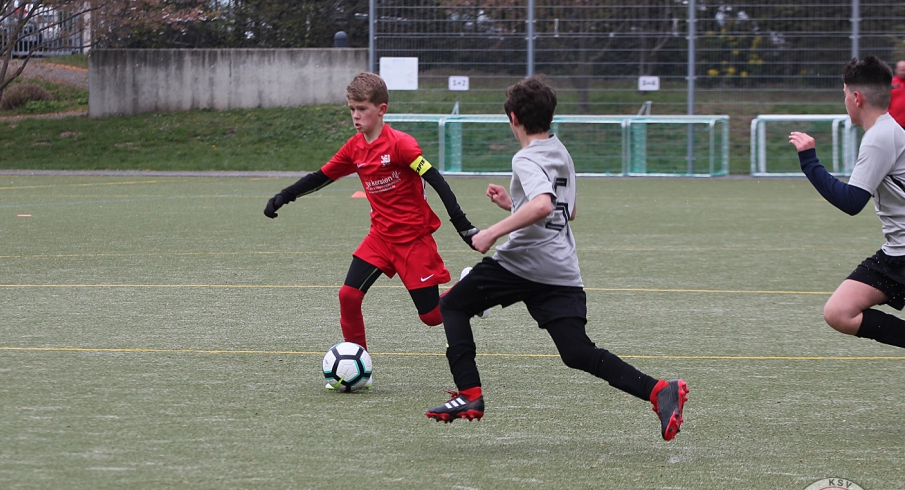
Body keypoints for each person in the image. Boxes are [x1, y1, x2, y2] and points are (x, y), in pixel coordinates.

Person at [425, 76, 689, 441]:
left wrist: (491, 232)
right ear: (549, 116)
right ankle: (659, 390)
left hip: (522, 263)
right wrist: (513, 203)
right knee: (577, 352)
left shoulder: (525, 158)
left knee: (452, 305)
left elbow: (543, 205)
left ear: (513, 118)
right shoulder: (561, 151)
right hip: (559, 268)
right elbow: (568, 210)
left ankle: (469, 392)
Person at [264, 72, 479, 353]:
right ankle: (358, 361)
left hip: (413, 240)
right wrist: (285, 196)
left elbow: (435, 178)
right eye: (352, 108)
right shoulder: (354, 148)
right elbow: (321, 177)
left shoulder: (401, 145)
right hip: (380, 238)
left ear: (381, 109)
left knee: (431, 316)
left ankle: (471, 287)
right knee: (348, 296)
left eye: (362, 108)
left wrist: (463, 225)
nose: (356, 115)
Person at [789, 55, 905, 350]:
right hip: (896, 252)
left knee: (841, 312)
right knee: (839, 312)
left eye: (844, 94)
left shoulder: (880, 137)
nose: (844, 101)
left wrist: (809, 161)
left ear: (856, 98)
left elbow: (852, 202)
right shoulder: (884, 132)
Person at [889, 59, 905, 128]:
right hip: (894, 122)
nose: (903, 72)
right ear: (896, 70)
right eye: (902, 70)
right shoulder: (891, 83)